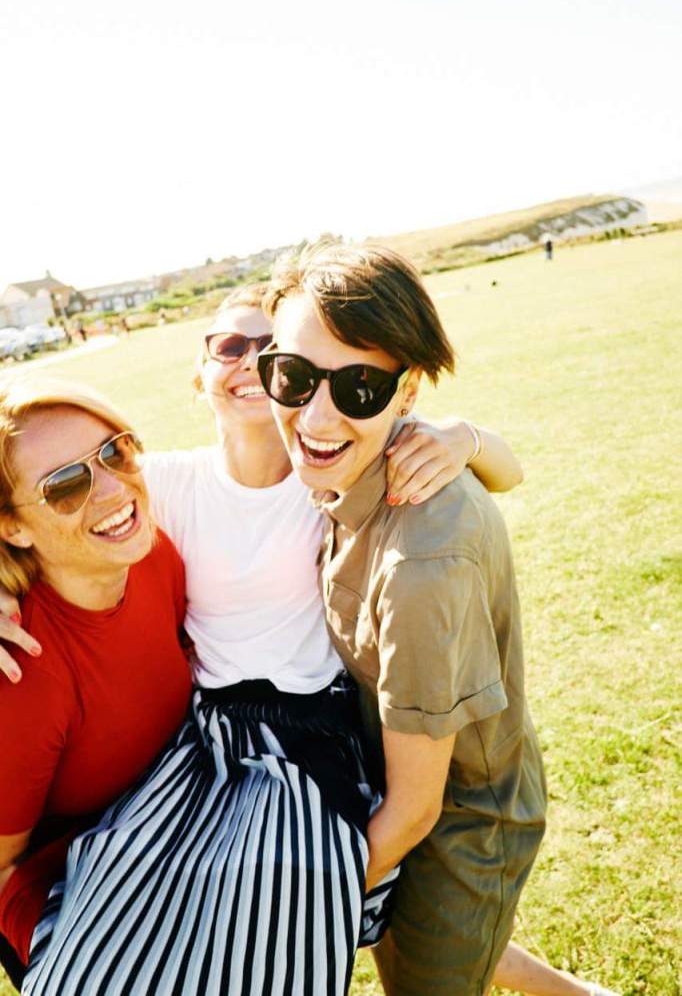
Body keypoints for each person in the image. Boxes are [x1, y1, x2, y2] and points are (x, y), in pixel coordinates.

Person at [0, 292, 618, 996]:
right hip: (211, 740)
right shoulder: (161, 487)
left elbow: (504, 469)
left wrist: (464, 439)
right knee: (213, 917)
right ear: (198, 374)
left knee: (362, 909)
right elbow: (54, 521)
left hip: (317, 729)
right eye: (227, 346)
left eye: (269, 350)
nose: (248, 360)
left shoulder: (328, 469)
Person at [259, 242, 618, 996]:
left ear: (408, 390)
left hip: (458, 827)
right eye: (291, 376)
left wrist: (290, 915)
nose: (315, 415)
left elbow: (417, 811)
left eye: (359, 386)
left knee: (429, 965)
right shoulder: (357, 453)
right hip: (393, 784)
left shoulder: (420, 561)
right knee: (452, 945)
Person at [0, 379, 192, 991]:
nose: (112, 490)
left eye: (114, 451)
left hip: (173, 826)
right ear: (13, 527)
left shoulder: (153, 554)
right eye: (64, 486)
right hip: (68, 891)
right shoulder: (21, 669)